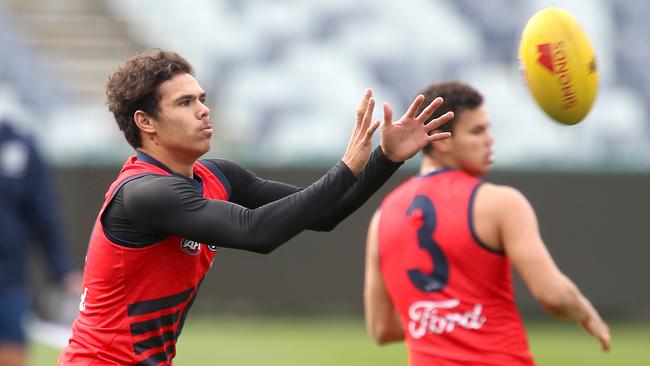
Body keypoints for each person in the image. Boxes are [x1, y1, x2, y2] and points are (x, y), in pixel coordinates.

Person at [57, 49, 454, 365]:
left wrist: (386, 158)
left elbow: (324, 214)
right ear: (146, 122)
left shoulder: (217, 176)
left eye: (202, 98)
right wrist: (348, 165)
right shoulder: (145, 193)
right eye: (184, 102)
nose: (203, 109)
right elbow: (257, 232)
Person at [363, 81, 611, 365]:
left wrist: (439, 319)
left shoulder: (382, 218)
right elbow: (553, 295)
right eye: (478, 131)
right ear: (442, 139)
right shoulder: (500, 203)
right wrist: (586, 311)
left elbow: (382, 329)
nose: (490, 140)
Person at [0, 117, 81, 366]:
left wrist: (63, 269)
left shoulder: (18, 145)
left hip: (8, 278)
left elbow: (44, 215)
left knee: (11, 354)